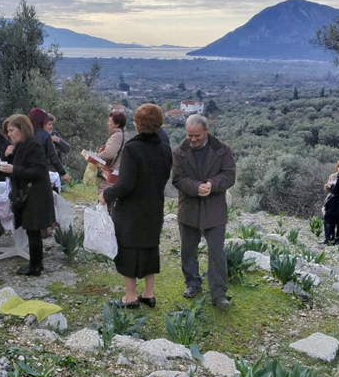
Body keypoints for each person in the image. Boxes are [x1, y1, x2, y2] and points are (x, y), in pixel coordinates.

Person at [99, 104, 172, 308]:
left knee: (127, 249)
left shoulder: (132, 148)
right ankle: (149, 294)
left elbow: (126, 184)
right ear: (159, 124)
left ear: (137, 124)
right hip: (154, 206)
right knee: (150, 247)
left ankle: (130, 296)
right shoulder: (165, 149)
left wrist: (106, 194)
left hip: (131, 209)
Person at [172, 114, 236, 309]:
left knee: (217, 252)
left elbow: (229, 176)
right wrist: (196, 187)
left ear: (206, 132)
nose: (192, 139)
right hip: (189, 209)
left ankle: (218, 294)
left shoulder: (223, 150)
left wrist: (212, 184)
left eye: (197, 136)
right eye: (189, 135)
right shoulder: (179, 152)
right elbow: (177, 179)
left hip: (214, 210)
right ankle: (192, 284)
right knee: (188, 250)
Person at [0, 114, 55, 276]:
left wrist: (13, 169)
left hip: (35, 196)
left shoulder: (33, 145)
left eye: (11, 130)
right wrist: (7, 156)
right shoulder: (21, 146)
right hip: (29, 195)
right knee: (31, 230)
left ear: (22, 129)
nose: (9, 134)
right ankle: (36, 265)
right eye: (8, 131)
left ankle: (35, 267)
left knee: (33, 230)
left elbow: (38, 171)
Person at [29, 108, 71, 185]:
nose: (51, 126)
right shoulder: (42, 136)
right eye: (49, 124)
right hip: (44, 171)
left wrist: (58, 140)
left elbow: (67, 149)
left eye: (52, 124)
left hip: (53, 172)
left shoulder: (55, 135)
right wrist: (63, 173)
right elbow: (52, 156)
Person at [97, 111, 128, 195]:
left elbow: (109, 154)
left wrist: (96, 157)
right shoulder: (122, 135)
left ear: (117, 124)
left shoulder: (117, 136)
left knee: (106, 199)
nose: (107, 124)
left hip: (112, 174)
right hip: (118, 173)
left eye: (109, 121)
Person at [322, 159, 339, 243]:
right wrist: (327, 187)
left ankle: (337, 239)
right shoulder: (332, 176)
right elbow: (328, 189)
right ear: (337, 167)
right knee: (327, 217)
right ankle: (328, 238)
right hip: (332, 199)